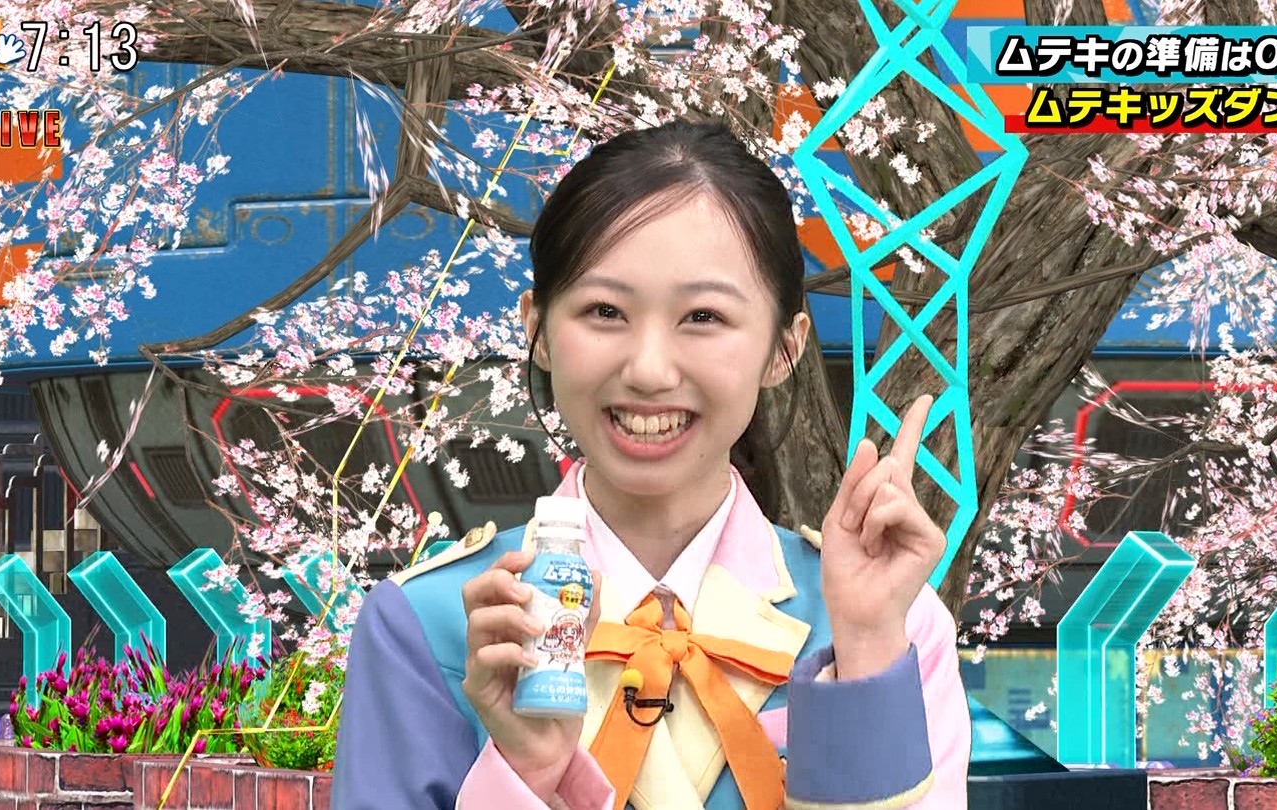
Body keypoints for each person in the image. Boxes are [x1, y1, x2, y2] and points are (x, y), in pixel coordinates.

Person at [330, 120, 971, 810]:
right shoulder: (428, 626)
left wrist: (866, 653)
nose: (649, 370)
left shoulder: (891, 623)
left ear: (784, 348)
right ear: (537, 330)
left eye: (703, 317)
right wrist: (525, 772)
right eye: (605, 311)